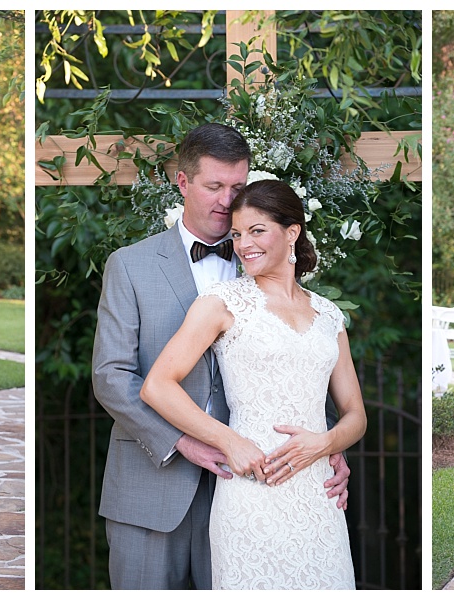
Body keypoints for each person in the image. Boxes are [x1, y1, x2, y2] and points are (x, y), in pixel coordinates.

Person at [91, 123, 351, 589]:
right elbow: (112, 376)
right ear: (183, 182)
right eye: (214, 186)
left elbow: (303, 361)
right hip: (154, 480)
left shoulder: (259, 253)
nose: (226, 201)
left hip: (255, 486)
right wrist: (183, 442)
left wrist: (328, 447)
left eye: (237, 187)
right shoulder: (130, 265)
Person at [141, 179, 365, 589]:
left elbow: (355, 415)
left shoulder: (330, 315)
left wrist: (327, 443)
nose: (244, 244)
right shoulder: (221, 302)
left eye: (257, 230)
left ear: (292, 232)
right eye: (238, 234)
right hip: (251, 489)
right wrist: (230, 440)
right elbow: (157, 386)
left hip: (318, 493)